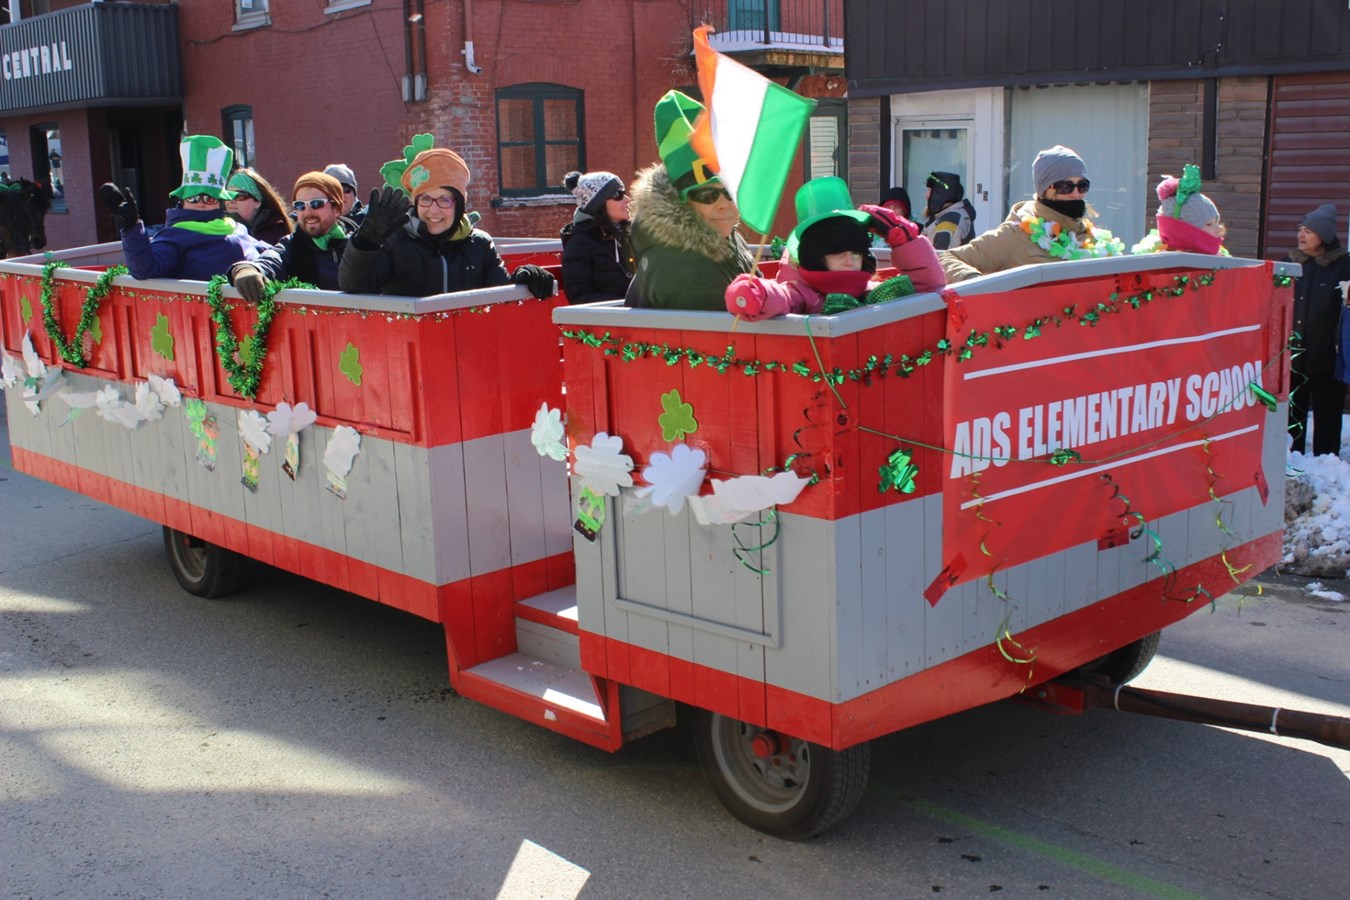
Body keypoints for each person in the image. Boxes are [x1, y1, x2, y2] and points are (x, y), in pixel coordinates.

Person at [337, 143, 553, 299]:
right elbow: (354, 286)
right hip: (415, 350)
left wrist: (524, 279)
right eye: (426, 199)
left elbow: (501, 295)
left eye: (444, 200)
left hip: (466, 348)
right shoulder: (396, 242)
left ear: (459, 205)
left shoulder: (479, 244)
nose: (434, 209)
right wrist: (364, 244)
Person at [724, 176, 945, 320]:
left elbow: (930, 287)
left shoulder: (871, 290)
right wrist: (755, 292)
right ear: (816, 255)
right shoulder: (803, 292)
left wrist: (904, 238)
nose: (850, 261)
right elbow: (782, 297)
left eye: (856, 252)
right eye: (838, 253)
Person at [625, 90, 755, 310]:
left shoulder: (725, 236)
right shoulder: (684, 268)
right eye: (707, 195)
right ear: (681, 203)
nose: (723, 203)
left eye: (730, 193)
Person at [939, 145, 1124, 282]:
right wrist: (975, 282)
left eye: (1082, 185)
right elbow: (944, 259)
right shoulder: (1016, 234)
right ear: (1044, 189)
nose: (1076, 194)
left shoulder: (1090, 236)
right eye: (1065, 186)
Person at [98, 135, 268, 281]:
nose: (201, 202)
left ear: (219, 202)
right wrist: (131, 225)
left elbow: (269, 255)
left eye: (209, 198)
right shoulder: (175, 236)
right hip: (206, 316)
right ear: (183, 200)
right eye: (193, 197)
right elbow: (145, 268)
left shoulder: (237, 229)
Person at [228, 171, 353, 301]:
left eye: (317, 204)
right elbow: (270, 260)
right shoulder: (291, 246)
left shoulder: (357, 244)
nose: (308, 212)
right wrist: (246, 269)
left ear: (336, 209)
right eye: (300, 205)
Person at [1289, 203, 1350, 456]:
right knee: (1293, 416)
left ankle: (1327, 461)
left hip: (1329, 357)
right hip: (1294, 356)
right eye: (1300, 229)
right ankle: (1292, 458)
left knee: (1328, 415)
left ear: (1323, 235)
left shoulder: (1344, 266)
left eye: (1309, 231)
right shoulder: (1290, 264)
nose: (1302, 235)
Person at [559, 169, 633, 304]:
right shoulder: (580, 243)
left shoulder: (629, 235)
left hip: (639, 317)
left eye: (625, 192)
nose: (627, 200)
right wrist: (627, 304)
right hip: (609, 321)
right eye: (618, 194)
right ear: (598, 204)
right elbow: (580, 297)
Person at [1130, 164, 1227, 255]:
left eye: (1216, 223)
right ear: (1182, 230)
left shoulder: (1221, 259)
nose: (1218, 229)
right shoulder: (1159, 261)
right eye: (1209, 224)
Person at [224, 167, 293, 245]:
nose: (231, 201)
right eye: (228, 194)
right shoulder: (219, 228)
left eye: (240, 196)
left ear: (257, 202)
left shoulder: (278, 233)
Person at [922, 171, 977, 250]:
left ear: (941, 194)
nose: (926, 196)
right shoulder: (944, 216)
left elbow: (941, 258)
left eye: (930, 191)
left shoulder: (950, 222)